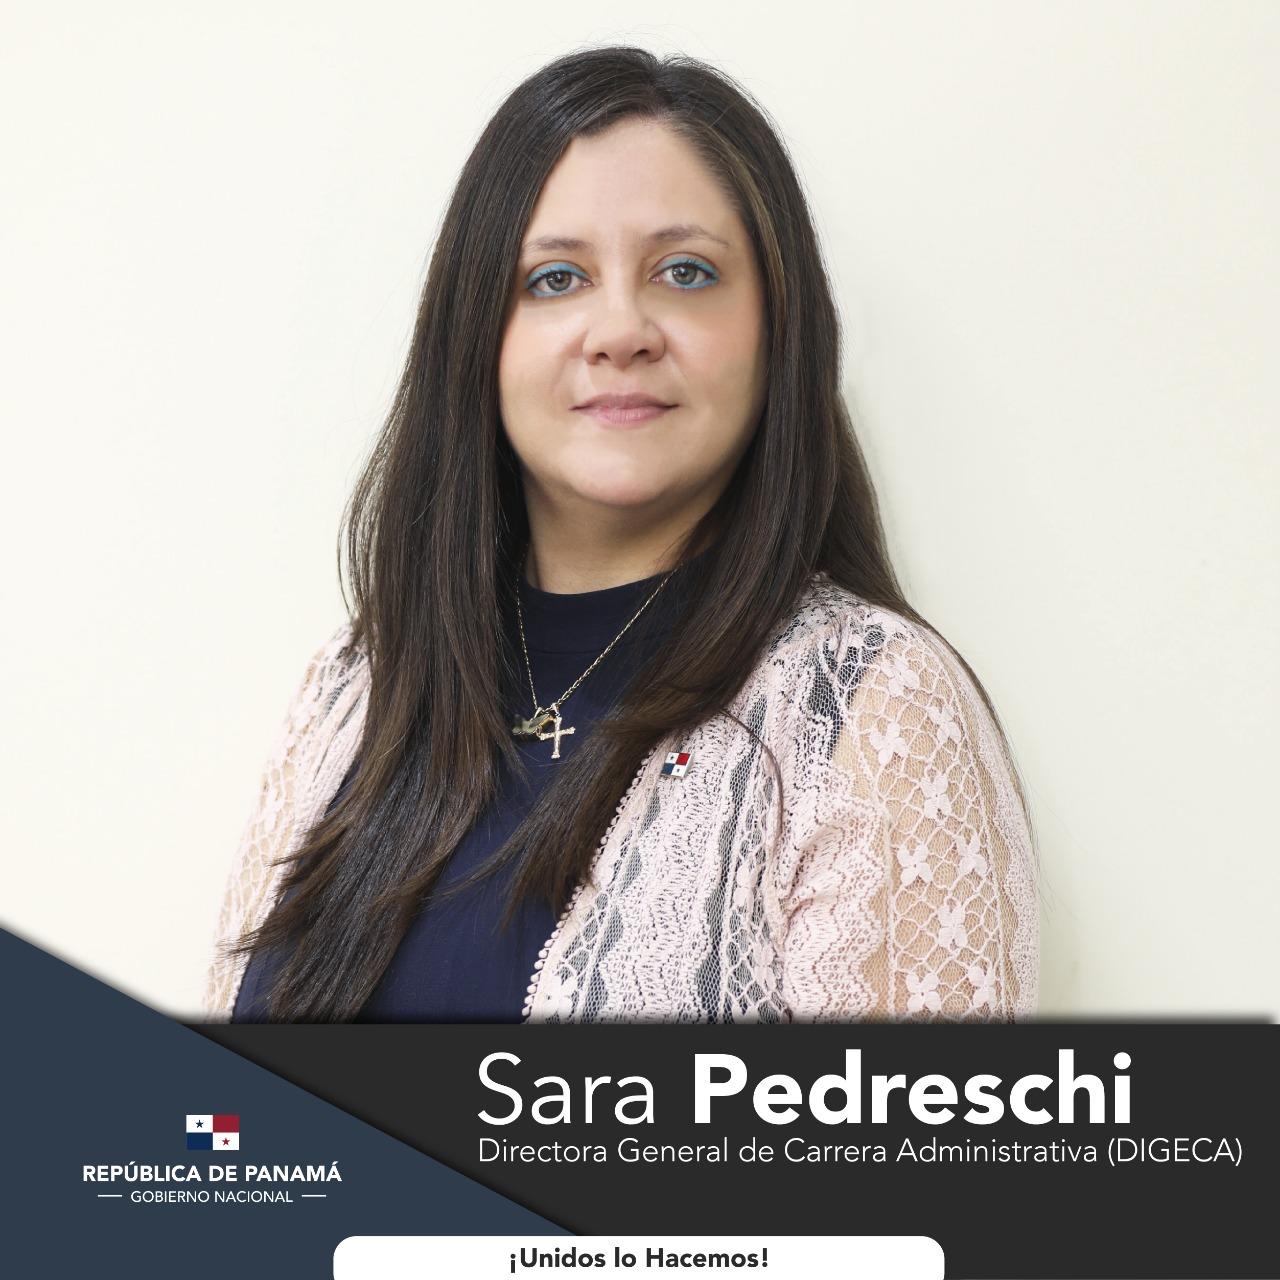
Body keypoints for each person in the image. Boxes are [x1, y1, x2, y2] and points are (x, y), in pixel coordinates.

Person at [202, 45, 1038, 1025]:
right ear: (476, 334)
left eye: (685, 271)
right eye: (555, 278)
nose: (620, 330)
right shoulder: (352, 689)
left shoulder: (872, 709)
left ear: (779, 329)